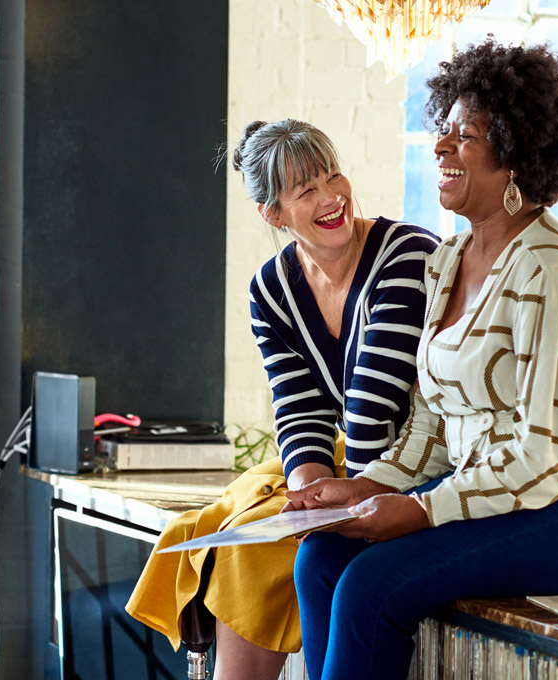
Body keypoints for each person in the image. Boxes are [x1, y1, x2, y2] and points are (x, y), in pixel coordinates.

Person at [285, 39, 558, 680]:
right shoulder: (448, 263)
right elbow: (433, 427)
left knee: (373, 584)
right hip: (539, 489)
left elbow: (549, 458)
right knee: (322, 557)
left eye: (465, 136)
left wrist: (421, 509)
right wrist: (365, 488)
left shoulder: (552, 273)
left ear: (514, 157)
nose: (441, 146)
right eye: (444, 130)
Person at [125, 118, 439, 680]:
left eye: (333, 176)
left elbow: (376, 403)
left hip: (422, 465)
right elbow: (299, 411)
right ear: (273, 214)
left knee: (300, 551)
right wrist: (306, 495)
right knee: (245, 546)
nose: (331, 197)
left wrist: (336, 505)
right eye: (306, 190)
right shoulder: (270, 290)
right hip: (351, 468)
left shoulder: (406, 254)